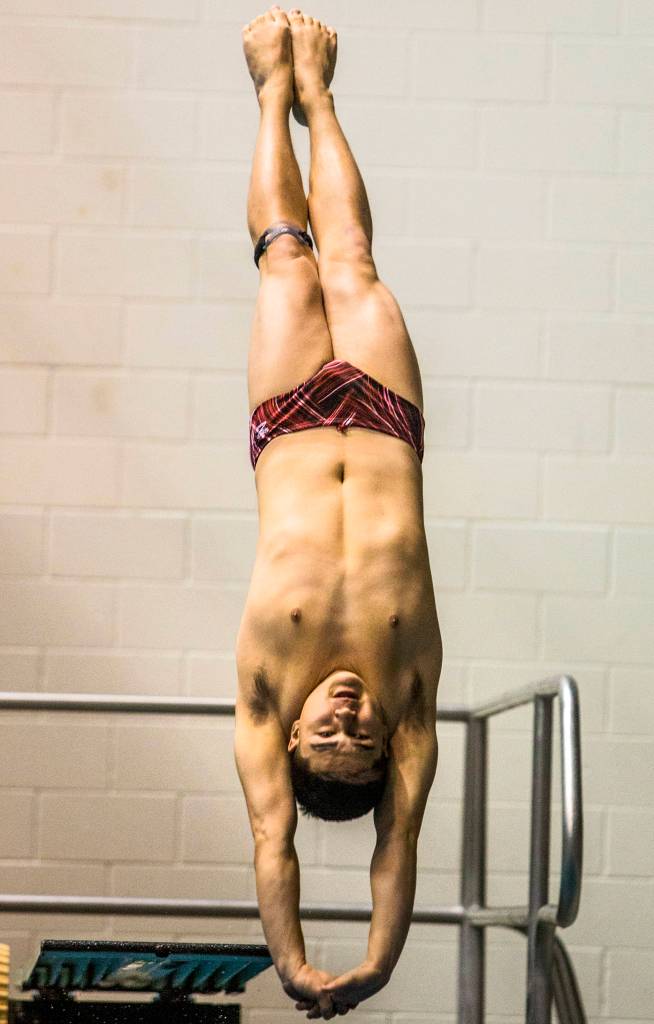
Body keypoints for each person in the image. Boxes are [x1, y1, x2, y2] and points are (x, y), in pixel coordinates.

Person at [235, 7, 443, 1020]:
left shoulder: (267, 694)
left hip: (292, 425)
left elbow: (273, 836)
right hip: (389, 422)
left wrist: (296, 959)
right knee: (351, 259)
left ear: (291, 736)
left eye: (329, 736)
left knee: (286, 259)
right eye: (358, 745)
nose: (347, 719)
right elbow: (397, 837)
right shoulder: (408, 695)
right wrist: (381, 960)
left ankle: (271, 94)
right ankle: (319, 91)